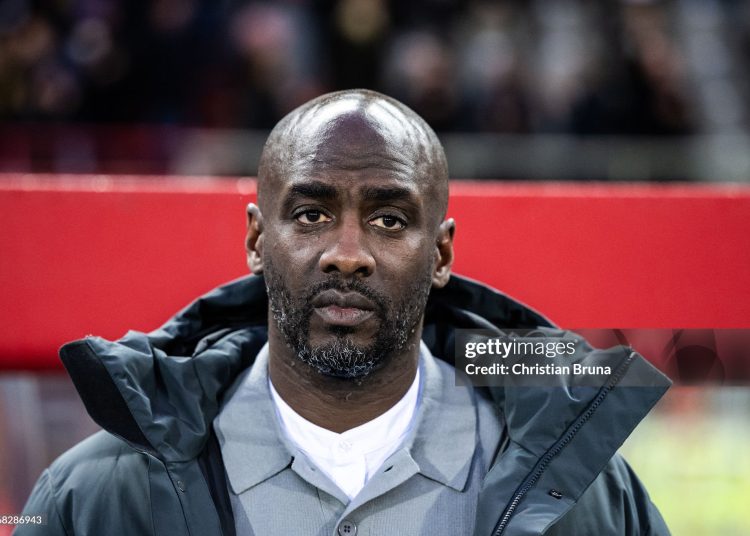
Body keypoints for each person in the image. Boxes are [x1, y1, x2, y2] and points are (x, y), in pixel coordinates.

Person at [17, 89, 671, 535]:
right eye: (311, 214)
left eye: (389, 219)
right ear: (255, 240)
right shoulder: (97, 496)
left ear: (440, 253)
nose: (347, 254)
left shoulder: (586, 497)